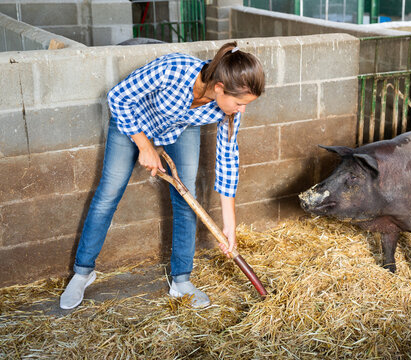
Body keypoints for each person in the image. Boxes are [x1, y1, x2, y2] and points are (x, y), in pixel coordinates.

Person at [60, 41, 265, 309]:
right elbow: (117, 97)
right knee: (109, 192)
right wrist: (144, 146)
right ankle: (83, 272)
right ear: (219, 88)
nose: (242, 110)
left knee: (186, 197)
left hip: (180, 128)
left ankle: (181, 281)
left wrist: (229, 224)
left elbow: (228, 159)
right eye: (239, 103)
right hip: (132, 122)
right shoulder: (173, 69)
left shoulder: (228, 112)